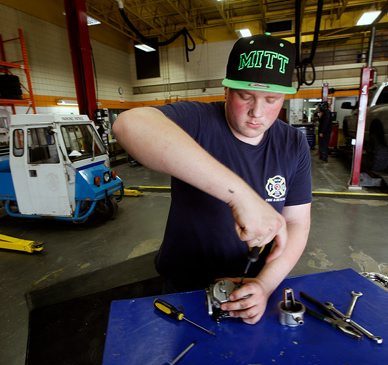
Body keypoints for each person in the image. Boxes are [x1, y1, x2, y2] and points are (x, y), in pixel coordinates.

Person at [113, 34, 312, 324]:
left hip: (253, 290)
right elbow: (128, 125)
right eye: (246, 96)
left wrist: (265, 285)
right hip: (185, 287)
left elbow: (296, 223)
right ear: (227, 90)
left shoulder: (293, 143)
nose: (258, 112)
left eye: (271, 99)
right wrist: (241, 196)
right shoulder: (197, 120)